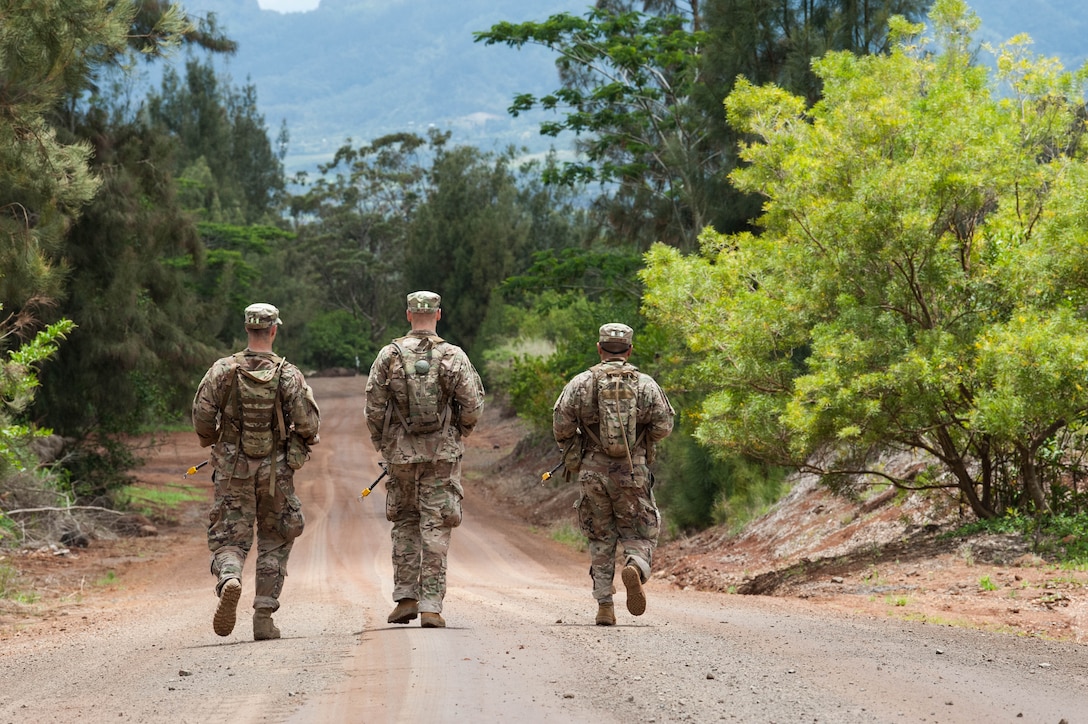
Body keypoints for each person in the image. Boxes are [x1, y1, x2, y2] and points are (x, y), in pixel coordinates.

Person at [192, 303, 321, 640]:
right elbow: (307, 422)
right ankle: (263, 617)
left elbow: (202, 416)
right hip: (275, 473)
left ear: (247, 329)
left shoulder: (222, 370)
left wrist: (215, 442)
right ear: (274, 330)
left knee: (229, 538)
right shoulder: (288, 374)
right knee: (276, 537)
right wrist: (302, 440)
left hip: (233, 469)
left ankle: (230, 576)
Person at [365, 290, 485, 628]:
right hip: (442, 454)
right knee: (436, 524)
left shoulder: (389, 355)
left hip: (400, 454)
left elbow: (373, 404)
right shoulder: (453, 355)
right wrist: (458, 432)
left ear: (408, 315)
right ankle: (431, 605)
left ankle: (405, 598)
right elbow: (472, 403)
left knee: (405, 521)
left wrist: (383, 442)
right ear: (438, 314)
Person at [553, 322, 674, 626]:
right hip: (633, 471)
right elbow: (664, 427)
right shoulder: (645, 384)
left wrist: (576, 453)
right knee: (641, 530)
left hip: (593, 473)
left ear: (599, 348)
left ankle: (605, 604)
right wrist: (639, 438)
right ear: (630, 350)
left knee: (600, 536)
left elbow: (562, 425)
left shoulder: (581, 383)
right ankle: (635, 564)